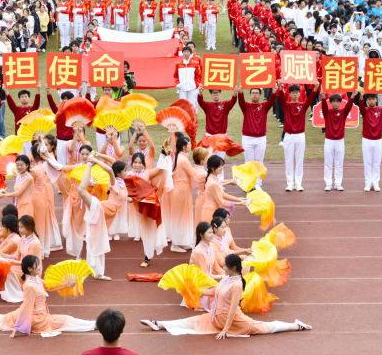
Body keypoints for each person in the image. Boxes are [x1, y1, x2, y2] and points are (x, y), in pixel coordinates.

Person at [140, 254, 311, 338]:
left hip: (235, 322)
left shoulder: (237, 285)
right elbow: (212, 292)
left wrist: (226, 330)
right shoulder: (225, 278)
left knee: (267, 327)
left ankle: (297, 326)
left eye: (225, 266)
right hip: (215, 317)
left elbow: (233, 309)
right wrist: (191, 289)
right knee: (190, 322)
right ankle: (158, 323)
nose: (223, 268)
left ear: (234, 268)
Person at [0, 255, 96, 337]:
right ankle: (94, 325)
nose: (40, 267)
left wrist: (67, 284)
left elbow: (49, 286)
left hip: (40, 316)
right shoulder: (29, 285)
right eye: (38, 266)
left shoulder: (35, 279)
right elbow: (26, 306)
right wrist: (18, 328)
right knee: (66, 320)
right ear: (30, 269)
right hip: (36, 319)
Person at [278, 80, 320, 191]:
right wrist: (279, 87)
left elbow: (311, 99)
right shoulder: (286, 106)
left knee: (299, 160)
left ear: (299, 93)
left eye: (297, 92)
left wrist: (315, 88)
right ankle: (290, 183)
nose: (295, 94)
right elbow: (281, 98)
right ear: (290, 94)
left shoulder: (303, 105)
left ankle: (298, 183)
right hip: (289, 136)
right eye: (293, 93)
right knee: (289, 160)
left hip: (300, 135)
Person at [76, 155, 113, 281]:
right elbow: (82, 189)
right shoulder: (90, 185)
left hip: (102, 208)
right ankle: (97, 272)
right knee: (94, 241)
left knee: (97, 241)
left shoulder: (110, 181)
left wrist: (93, 162)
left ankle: (98, 272)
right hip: (97, 207)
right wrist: (90, 165)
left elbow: (110, 170)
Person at [238, 85, 277, 190]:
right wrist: (240, 92)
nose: (255, 95)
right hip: (247, 138)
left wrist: (274, 92)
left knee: (259, 162)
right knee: (249, 162)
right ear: (250, 95)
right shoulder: (246, 106)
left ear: (260, 95)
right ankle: (249, 183)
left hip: (261, 138)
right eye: (253, 93)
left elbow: (271, 101)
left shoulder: (264, 106)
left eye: (257, 93)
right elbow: (240, 101)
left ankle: (258, 183)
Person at [359, 92, 382, 191]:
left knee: (376, 162)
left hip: (378, 140)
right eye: (369, 99)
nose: (371, 101)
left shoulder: (381, 110)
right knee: (367, 162)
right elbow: (361, 107)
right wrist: (361, 98)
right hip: (366, 139)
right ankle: (368, 183)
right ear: (367, 101)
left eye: (373, 99)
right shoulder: (365, 111)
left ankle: (375, 182)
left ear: (376, 100)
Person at [321, 91, 357, 191]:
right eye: (333, 101)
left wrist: (352, 97)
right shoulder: (327, 112)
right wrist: (323, 98)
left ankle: (338, 183)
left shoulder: (343, 112)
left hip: (340, 141)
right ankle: (328, 183)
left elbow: (349, 107)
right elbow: (323, 107)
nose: (335, 103)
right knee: (328, 163)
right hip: (329, 141)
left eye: (337, 101)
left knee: (339, 163)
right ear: (330, 102)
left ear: (340, 103)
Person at [169, 136, 198, 252]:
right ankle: (175, 244)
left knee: (184, 216)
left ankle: (184, 241)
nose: (190, 146)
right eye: (189, 144)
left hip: (182, 190)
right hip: (181, 190)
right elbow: (193, 174)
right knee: (180, 217)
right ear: (184, 147)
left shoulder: (181, 157)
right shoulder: (183, 159)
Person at [196, 156, 244, 225]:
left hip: (212, 210)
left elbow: (223, 194)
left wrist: (238, 199)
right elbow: (222, 202)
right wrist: (239, 203)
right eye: (219, 166)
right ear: (212, 168)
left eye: (222, 166)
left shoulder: (214, 178)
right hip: (210, 213)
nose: (222, 168)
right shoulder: (213, 183)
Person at [197, 87, 237, 159]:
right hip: (210, 136)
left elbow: (232, 102)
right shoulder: (207, 105)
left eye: (217, 93)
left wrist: (234, 94)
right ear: (211, 94)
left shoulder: (225, 105)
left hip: (222, 137)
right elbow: (200, 102)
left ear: (220, 93)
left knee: (220, 159)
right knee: (210, 159)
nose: (215, 95)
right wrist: (200, 93)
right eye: (213, 93)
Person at [5, 84, 41, 152]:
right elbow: (10, 103)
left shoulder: (32, 109)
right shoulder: (16, 110)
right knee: (19, 156)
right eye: (22, 97)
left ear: (29, 98)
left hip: (29, 137)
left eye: (25, 96)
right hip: (19, 138)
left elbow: (37, 103)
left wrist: (38, 91)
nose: (24, 98)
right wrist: (6, 91)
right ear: (19, 99)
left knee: (28, 155)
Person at [47, 89, 75, 165]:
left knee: (71, 162)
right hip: (61, 141)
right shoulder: (58, 113)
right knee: (61, 163)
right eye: (64, 99)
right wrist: (48, 93)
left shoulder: (74, 112)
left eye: (68, 99)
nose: (66, 101)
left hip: (71, 141)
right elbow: (52, 105)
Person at [174, 46, 202, 111]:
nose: (186, 53)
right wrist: (178, 83)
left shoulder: (194, 64)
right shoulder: (178, 64)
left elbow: (198, 75)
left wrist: (196, 84)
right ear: (182, 53)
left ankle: (193, 117)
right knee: (182, 105)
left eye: (187, 52)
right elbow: (176, 75)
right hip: (182, 88)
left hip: (192, 88)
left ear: (190, 53)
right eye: (184, 52)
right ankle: (184, 117)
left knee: (192, 104)